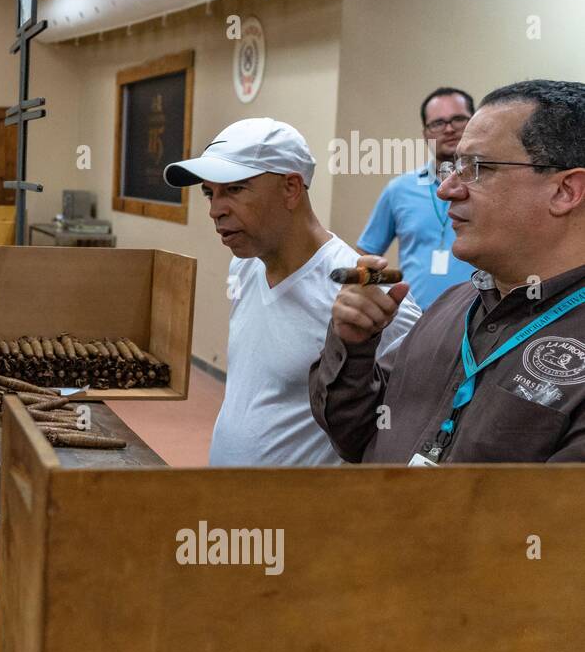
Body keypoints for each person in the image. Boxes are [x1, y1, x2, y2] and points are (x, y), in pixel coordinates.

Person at [311, 79, 585, 463]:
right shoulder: (450, 307)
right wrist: (354, 347)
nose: (447, 189)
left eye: (477, 168)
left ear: (565, 191)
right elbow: (357, 435)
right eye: (454, 167)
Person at [164, 118, 420, 466]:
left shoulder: (361, 293)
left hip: (300, 514)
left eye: (235, 189)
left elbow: (409, 417)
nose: (215, 210)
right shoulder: (246, 265)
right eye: (211, 193)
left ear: (290, 188)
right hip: (229, 501)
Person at [357, 87, 478, 308]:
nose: (449, 129)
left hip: (478, 323)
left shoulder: (491, 186)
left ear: (475, 123)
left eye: (458, 119)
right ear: (425, 134)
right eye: (438, 123)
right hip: (414, 322)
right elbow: (365, 254)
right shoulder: (399, 189)